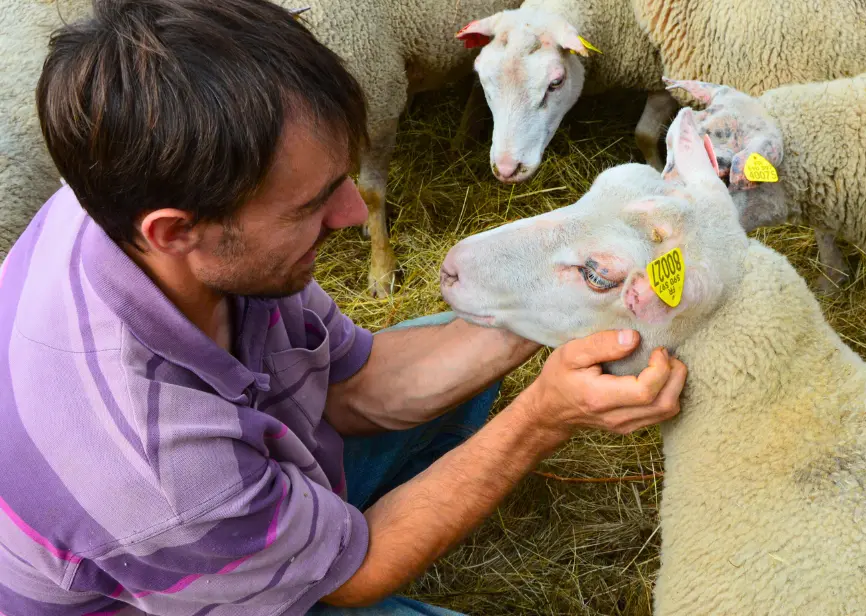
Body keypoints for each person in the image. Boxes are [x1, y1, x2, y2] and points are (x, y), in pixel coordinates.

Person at [0, 1, 688, 614]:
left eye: (339, 180)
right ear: (177, 231)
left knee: (445, 334)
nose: (354, 213)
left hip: (233, 474)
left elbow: (355, 385)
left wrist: (567, 301)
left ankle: (318, 512)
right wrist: (543, 417)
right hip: (169, 577)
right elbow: (355, 576)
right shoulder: (153, 466)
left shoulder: (136, 188)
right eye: (311, 205)